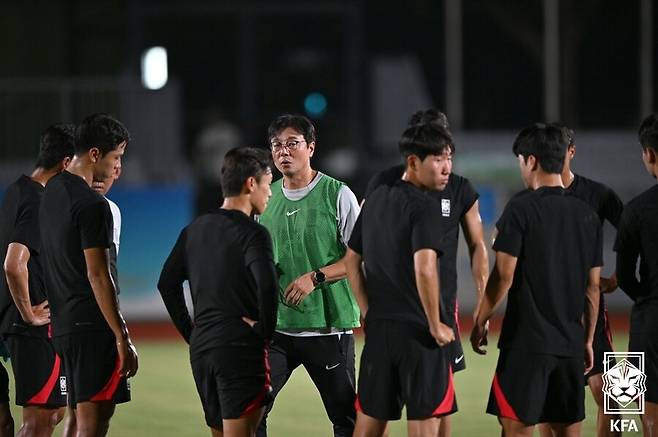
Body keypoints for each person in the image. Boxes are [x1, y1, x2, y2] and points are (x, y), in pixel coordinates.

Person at [363, 110, 488, 437]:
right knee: (414, 405)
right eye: (436, 152)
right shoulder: (386, 184)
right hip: (410, 315)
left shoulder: (460, 189)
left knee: (430, 397)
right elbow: (358, 249)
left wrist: (483, 305)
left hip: (437, 307)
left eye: (448, 152)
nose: (445, 161)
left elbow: (478, 247)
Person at [471, 124, 602, 437]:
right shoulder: (587, 214)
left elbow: (503, 275)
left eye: (519, 160)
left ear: (531, 161)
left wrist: (480, 319)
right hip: (570, 346)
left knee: (516, 430)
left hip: (526, 346)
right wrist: (587, 339)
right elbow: (593, 286)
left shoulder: (520, 209)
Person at [345, 118, 457, 437]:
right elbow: (424, 268)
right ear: (413, 161)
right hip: (420, 336)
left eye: (449, 158)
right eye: (438, 159)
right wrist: (435, 323)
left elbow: (352, 261)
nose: (446, 167)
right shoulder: (425, 207)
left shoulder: (376, 198)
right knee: (424, 425)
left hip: (380, 333)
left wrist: (368, 312)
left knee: (367, 426)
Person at [158, 147, 278, 437]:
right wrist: (264, 331)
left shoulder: (195, 229)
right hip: (238, 349)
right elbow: (267, 285)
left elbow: (167, 283)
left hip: (203, 351)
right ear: (251, 184)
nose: (271, 193)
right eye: (268, 183)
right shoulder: (252, 233)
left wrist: (192, 333)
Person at [256, 114, 361, 437]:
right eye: (276, 145)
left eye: (292, 144)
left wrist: (314, 277)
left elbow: (359, 259)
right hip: (278, 329)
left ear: (311, 147)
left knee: (345, 420)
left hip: (329, 328)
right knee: (251, 409)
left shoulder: (338, 194)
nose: (283, 151)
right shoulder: (265, 198)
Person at [39, 113, 138, 437]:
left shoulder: (51, 191)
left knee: (76, 420)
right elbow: (98, 275)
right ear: (95, 154)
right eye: (116, 157)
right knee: (93, 425)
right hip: (93, 328)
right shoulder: (95, 206)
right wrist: (121, 334)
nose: (117, 166)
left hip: (64, 327)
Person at [545, 123, 623, 437]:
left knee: (613, 396)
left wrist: (618, 278)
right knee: (549, 409)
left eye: (559, 151)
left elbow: (634, 233)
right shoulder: (531, 200)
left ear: (572, 152)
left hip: (590, 311)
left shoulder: (597, 194)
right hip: (547, 314)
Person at [1, 123, 75, 437]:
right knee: (42, 421)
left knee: (40, 416)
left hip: (9, 323)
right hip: (29, 328)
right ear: (67, 163)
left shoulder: (17, 190)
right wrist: (29, 313)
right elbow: (14, 264)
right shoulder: (38, 199)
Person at [62, 162, 124, 437]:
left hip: (93, 319)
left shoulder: (111, 211)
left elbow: (108, 268)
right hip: (86, 322)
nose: (99, 178)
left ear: (117, 171)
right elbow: (97, 273)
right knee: (83, 417)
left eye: (108, 170)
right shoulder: (81, 208)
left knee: (89, 416)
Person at [615, 113, 658, 436]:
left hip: (651, 321)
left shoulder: (637, 210)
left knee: (649, 410)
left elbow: (625, 276)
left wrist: (646, 296)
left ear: (649, 154)